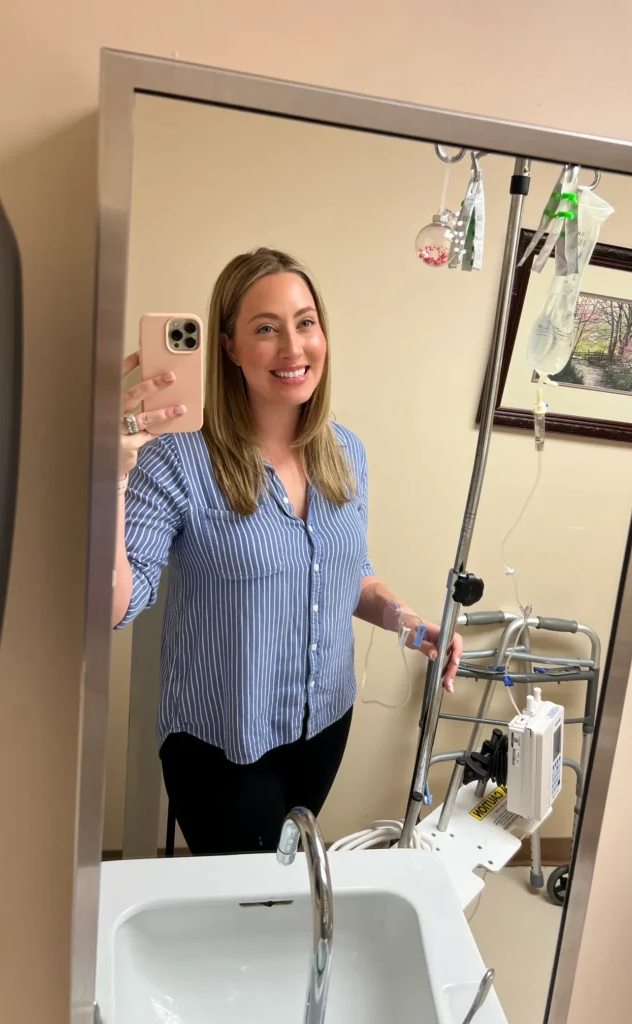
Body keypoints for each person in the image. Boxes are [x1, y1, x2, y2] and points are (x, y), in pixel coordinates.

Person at [113, 247, 463, 855]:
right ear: (227, 346)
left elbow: (347, 575)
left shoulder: (344, 452)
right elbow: (115, 606)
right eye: (266, 329)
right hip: (224, 744)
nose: (293, 348)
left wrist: (410, 624)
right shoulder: (177, 458)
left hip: (324, 722)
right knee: (250, 908)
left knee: (283, 876)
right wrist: (112, 476)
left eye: (305, 323)